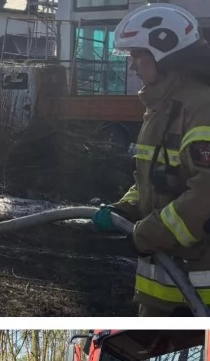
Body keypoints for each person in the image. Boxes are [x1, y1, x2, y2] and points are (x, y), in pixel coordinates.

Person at [94, 3, 210, 316]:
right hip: (168, 295)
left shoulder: (200, 108)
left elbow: (205, 196)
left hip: (198, 292)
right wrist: (124, 209)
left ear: (164, 55)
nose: (133, 66)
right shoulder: (163, 108)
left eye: (137, 55)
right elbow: (152, 179)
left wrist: (147, 234)